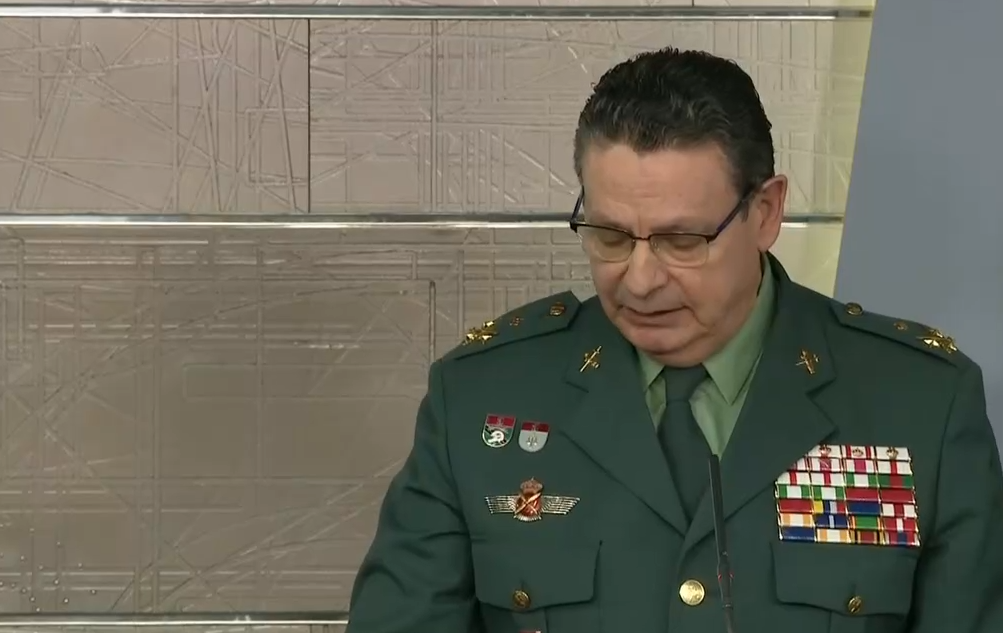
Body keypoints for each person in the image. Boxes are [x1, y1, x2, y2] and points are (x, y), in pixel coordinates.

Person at [345, 47, 1003, 633]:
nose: (639, 279)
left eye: (681, 240)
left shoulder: (920, 406)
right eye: (609, 236)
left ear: (765, 212)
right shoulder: (479, 398)